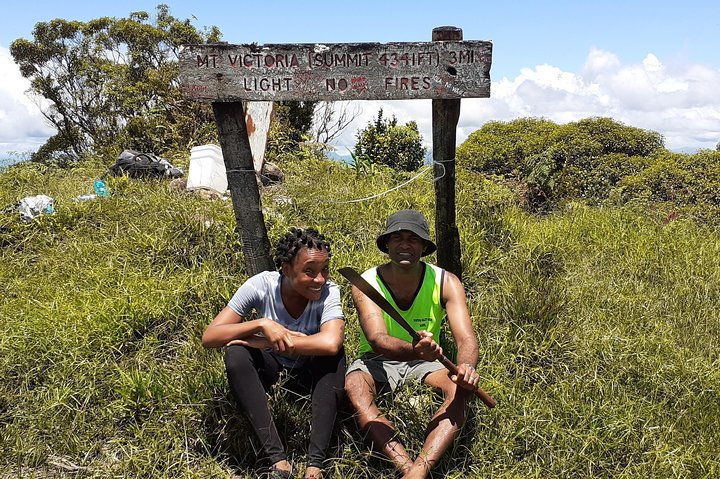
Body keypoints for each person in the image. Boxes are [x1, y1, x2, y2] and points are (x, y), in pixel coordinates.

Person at [344, 210, 480, 479]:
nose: (405, 245)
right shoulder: (366, 283)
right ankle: (407, 468)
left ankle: (418, 470)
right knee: (354, 387)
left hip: (428, 362)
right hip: (377, 360)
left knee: (461, 389)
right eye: (397, 238)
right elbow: (377, 339)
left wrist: (465, 366)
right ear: (386, 244)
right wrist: (413, 349)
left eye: (413, 239)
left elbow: (466, 337)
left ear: (424, 246)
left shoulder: (446, 281)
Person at [202, 227, 345, 479]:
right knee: (236, 353)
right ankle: (277, 461)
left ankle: (315, 465)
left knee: (335, 356)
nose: (320, 279)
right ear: (286, 269)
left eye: (324, 269)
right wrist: (261, 325)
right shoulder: (261, 285)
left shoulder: (329, 291)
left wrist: (277, 340)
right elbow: (210, 336)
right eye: (309, 271)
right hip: (273, 369)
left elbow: (331, 342)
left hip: (309, 373)